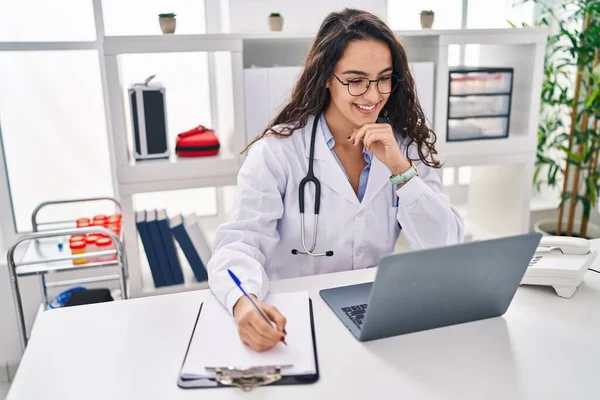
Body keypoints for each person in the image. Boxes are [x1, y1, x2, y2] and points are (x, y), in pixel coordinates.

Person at [207, 8, 465, 351]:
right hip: (295, 321)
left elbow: (445, 245)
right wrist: (244, 303)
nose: (373, 95)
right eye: (356, 80)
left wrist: (401, 171)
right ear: (326, 77)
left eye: (384, 78)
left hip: (374, 318)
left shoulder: (404, 149)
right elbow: (239, 244)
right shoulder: (278, 152)